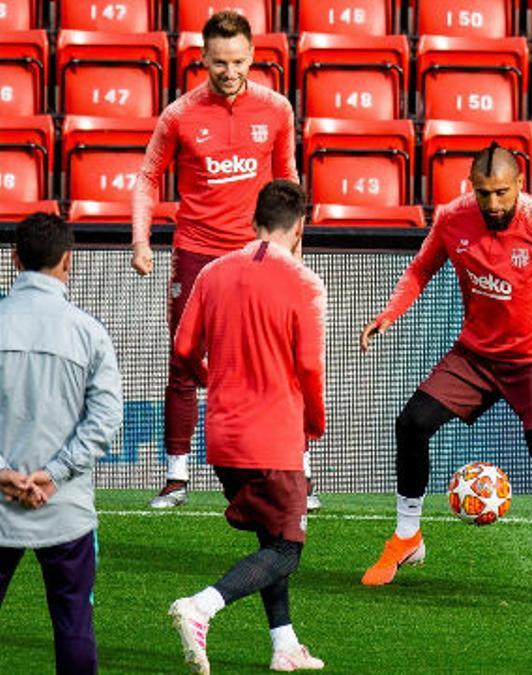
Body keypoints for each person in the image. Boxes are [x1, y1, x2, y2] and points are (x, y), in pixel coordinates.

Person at [358, 144, 532, 601]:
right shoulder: (452, 217)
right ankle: (407, 538)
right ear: (472, 188)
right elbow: (420, 270)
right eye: (484, 193)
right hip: (476, 357)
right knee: (411, 424)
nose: (493, 204)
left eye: (502, 193)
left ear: (520, 184)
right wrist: (391, 313)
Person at [131, 10, 310, 510]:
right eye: (219, 63)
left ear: (252, 56)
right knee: (184, 362)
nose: (229, 72)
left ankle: (298, 473)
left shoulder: (276, 109)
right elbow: (147, 178)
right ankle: (176, 477)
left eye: (238, 61)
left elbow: (288, 179)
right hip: (196, 254)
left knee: (281, 363)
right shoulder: (179, 115)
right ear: (203, 59)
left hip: (258, 255)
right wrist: (141, 241)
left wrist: (294, 249)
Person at [167, 180, 326, 674]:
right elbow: (310, 367)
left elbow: (183, 347)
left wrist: (208, 380)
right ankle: (201, 606)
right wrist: (314, 423)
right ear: (299, 227)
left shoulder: (213, 273)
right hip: (274, 436)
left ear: (252, 221)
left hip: (222, 435)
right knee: (286, 549)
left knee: (267, 535)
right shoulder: (305, 283)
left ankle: (285, 645)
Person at [0, 213, 123, 674]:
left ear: (14, 259)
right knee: (73, 628)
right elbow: (107, 416)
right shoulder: (88, 332)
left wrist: (4, 474)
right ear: (67, 261)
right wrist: (54, 474)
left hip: (1, 503)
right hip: (65, 509)